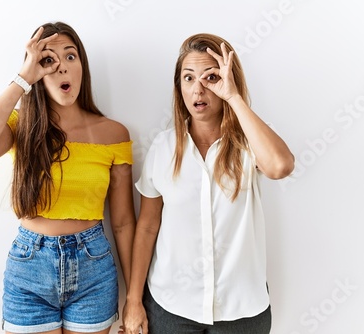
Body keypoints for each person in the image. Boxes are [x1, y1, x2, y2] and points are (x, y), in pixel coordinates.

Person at [0, 21, 136, 334]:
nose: (63, 68)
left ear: (82, 65)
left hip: (94, 267)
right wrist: (23, 79)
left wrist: (134, 296)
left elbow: (122, 223)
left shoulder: (113, 134)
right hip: (29, 266)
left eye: (71, 56)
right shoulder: (20, 126)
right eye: (48, 60)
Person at [121, 33, 295, 334]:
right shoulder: (162, 148)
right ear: (179, 87)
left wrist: (234, 97)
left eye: (211, 77)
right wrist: (133, 300)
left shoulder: (247, 143)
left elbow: (280, 166)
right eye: (188, 78)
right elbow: (148, 226)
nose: (198, 89)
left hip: (241, 312)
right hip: (171, 308)